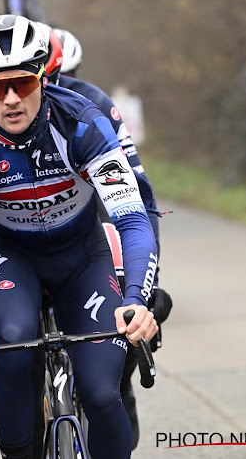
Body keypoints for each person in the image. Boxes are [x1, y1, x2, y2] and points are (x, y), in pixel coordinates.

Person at [0, 15, 159, 459]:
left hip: (81, 255)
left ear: (42, 76)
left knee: (100, 391)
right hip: (6, 255)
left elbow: (133, 220)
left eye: (22, 82)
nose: (12, 98)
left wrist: (137, 296)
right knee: (15, 341)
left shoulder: (82, 123)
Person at [41, 24, 173, 449]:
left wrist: (145, 283)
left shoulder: (94, 103)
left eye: (54, 78)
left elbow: (138, 196)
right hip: (30, 229)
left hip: (97, 215)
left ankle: (121, 382)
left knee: (124, 305)